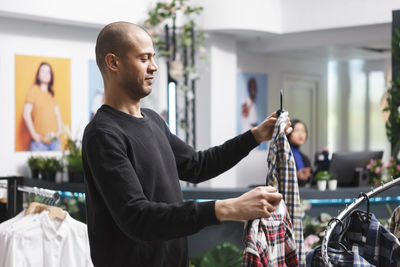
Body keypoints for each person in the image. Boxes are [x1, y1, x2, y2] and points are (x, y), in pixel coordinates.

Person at [82, 22, 292, 267]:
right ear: (113, 62)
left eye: (153, 57)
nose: (154, 66)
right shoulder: (103, 134)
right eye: (143, 58)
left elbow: (197, 165)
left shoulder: (152, 121)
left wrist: (255, 136)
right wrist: (226, 208)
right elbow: (137, 218)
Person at [23, 62, 62, 151]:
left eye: (48, 72)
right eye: (42, 71)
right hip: (39, 144)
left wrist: (58, 133)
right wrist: (34, 136)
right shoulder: (33, 90)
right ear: (38, 75)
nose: (45, 74)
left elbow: (58, 116)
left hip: (55, 143)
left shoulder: (51, 95)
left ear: (51, 76)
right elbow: (26, 114)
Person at [288, 119, 311, 186]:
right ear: (288, 133)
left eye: (303, 131)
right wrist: (296, 175)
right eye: (296, 131)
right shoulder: (283, 156)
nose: (300, 134)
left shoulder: (306, 159)